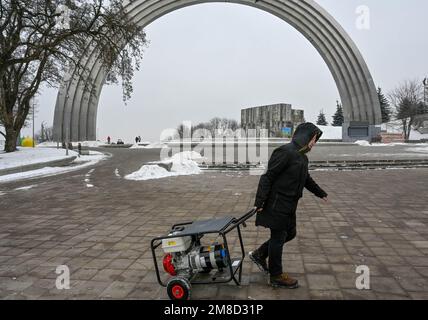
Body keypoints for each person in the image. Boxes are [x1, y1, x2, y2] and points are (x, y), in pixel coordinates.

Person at [250, 122, 328, 289]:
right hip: (276, 203)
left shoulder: (302, 157)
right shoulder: (285, 152)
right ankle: (276, 275)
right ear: (305, 137)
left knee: (290, 233)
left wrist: (320, 192)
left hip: (289, 204)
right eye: (314, 139)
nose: (314, 143)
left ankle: (260, 254)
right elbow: (267, 177)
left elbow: (305, 178)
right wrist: (260, 201)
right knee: (278, 237)